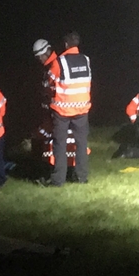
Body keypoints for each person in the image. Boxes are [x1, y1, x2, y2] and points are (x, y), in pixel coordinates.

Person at [45, 31, 91, 186]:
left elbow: (50, 82)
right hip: (82, 109)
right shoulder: (86, 60)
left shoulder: (59, 62)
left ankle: (58, 180)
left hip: (62, 110)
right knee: (81, 144)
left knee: (60, 144)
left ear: (65, 44)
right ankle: (82, 177)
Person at [32, 39, 79, 172]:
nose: (39, 59)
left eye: (40, 55)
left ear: (47, 51)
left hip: (58, 112)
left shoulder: (55, 65)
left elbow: (54, 89)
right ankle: (55, 170)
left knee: (51, 140)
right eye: (37, 57)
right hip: (53, 112)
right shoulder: (49, 66)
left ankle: (49, 171)